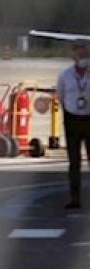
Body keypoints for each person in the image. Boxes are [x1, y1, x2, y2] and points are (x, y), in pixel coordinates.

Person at [59, 41, 90, 210]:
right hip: (72, 119)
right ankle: (75, 198)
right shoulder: (65, 75)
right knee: (74, 161)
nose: (82, 57)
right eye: (78, 54)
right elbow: (61, 96)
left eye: (84, 53)